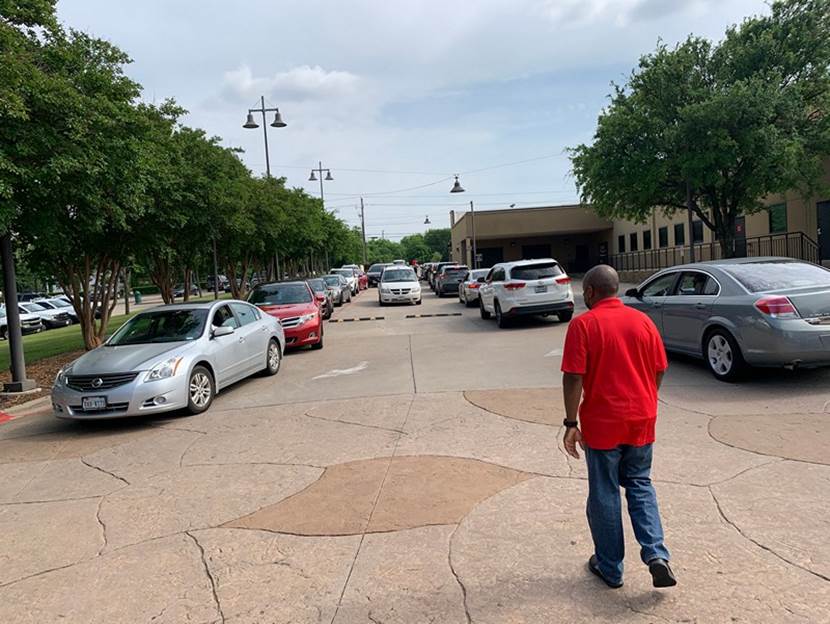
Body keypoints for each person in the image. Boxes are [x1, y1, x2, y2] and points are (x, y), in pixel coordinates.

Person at [560, 264, 676, 589]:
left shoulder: (584, 325)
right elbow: (660, 369)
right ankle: (656, 555)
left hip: (603, 423)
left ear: (591, 292)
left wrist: (571, 422)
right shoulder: (643, 321)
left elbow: (573, 376)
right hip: (641, 419)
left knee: (605, 492)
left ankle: (610, 567)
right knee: (640, 484)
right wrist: (646, 401)